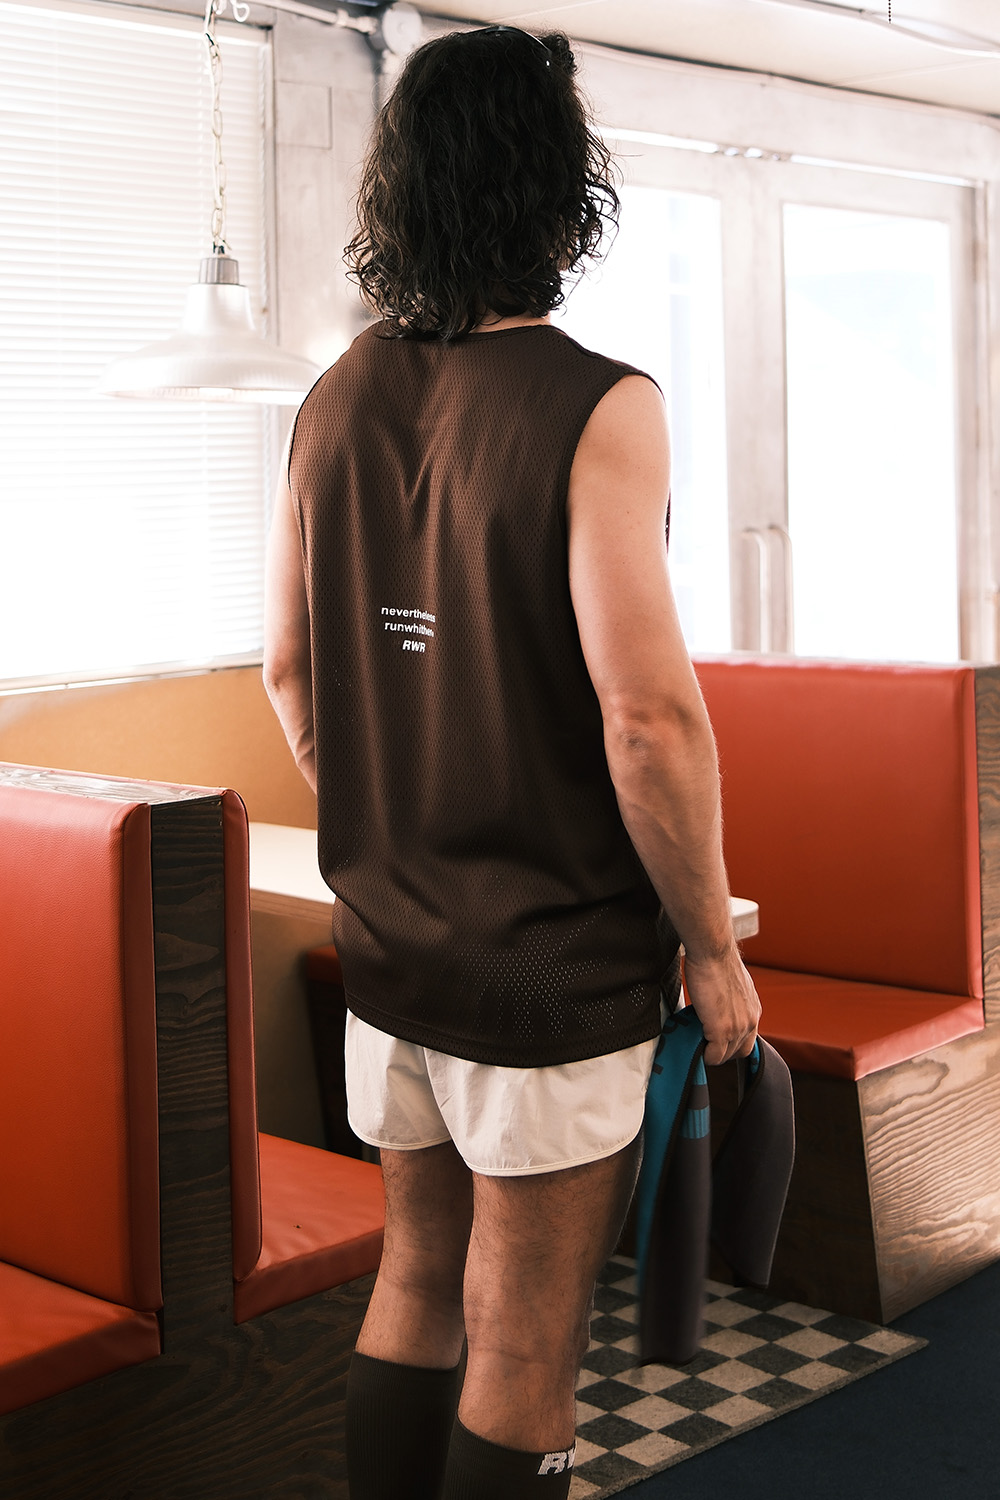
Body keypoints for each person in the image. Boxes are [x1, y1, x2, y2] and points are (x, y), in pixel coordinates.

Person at [263, 23, 760, 1500]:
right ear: (559, 191)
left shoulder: (335, 396)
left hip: (393, 949)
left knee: (416, 1280)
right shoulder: (602, 405)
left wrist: (400, 832)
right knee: (527, 1338)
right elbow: (648, 720)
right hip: (551, 962)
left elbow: (291, 668)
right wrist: (711, 949)